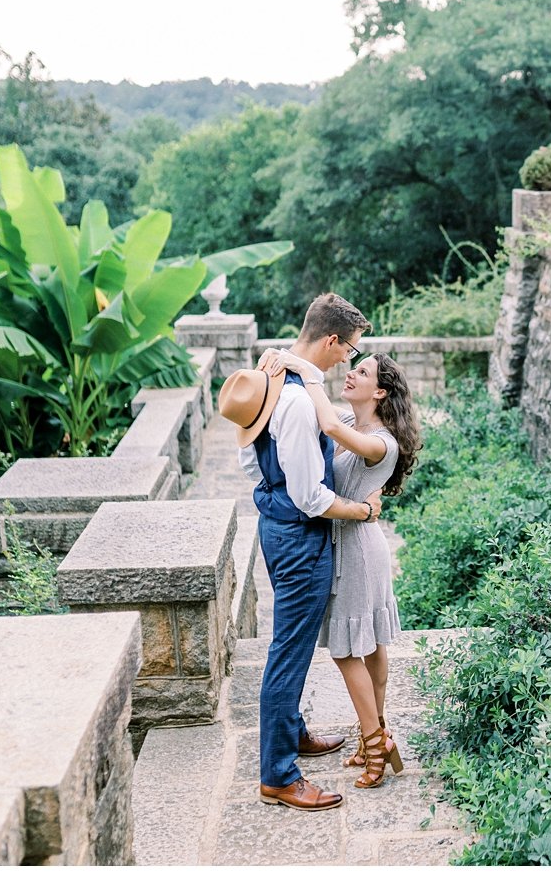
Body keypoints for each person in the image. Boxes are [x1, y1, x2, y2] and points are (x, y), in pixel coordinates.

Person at [226, 292, 381, 813]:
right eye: (349, 351)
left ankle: (291, 735)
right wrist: (360, 511)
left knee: (287, 644)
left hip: (277, 528)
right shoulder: (294, 401)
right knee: (288, 655)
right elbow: (311, 497)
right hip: (299, 539)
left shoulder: (275, 381)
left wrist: (272, 495)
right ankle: (278, 776)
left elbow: (251, 463)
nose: (348, 361)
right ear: (332, 339)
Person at [259, 346, 420, 790]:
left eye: (362, 372)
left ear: (381, 391)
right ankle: (379, 732)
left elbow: (325, 422)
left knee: (350, 649)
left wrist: (305, 368)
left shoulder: (381, 442)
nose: (350, 374)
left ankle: (373, 742)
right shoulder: (356, 424)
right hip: (353, 540)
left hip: (359, 550)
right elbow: (324, 418)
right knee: (368, 647)